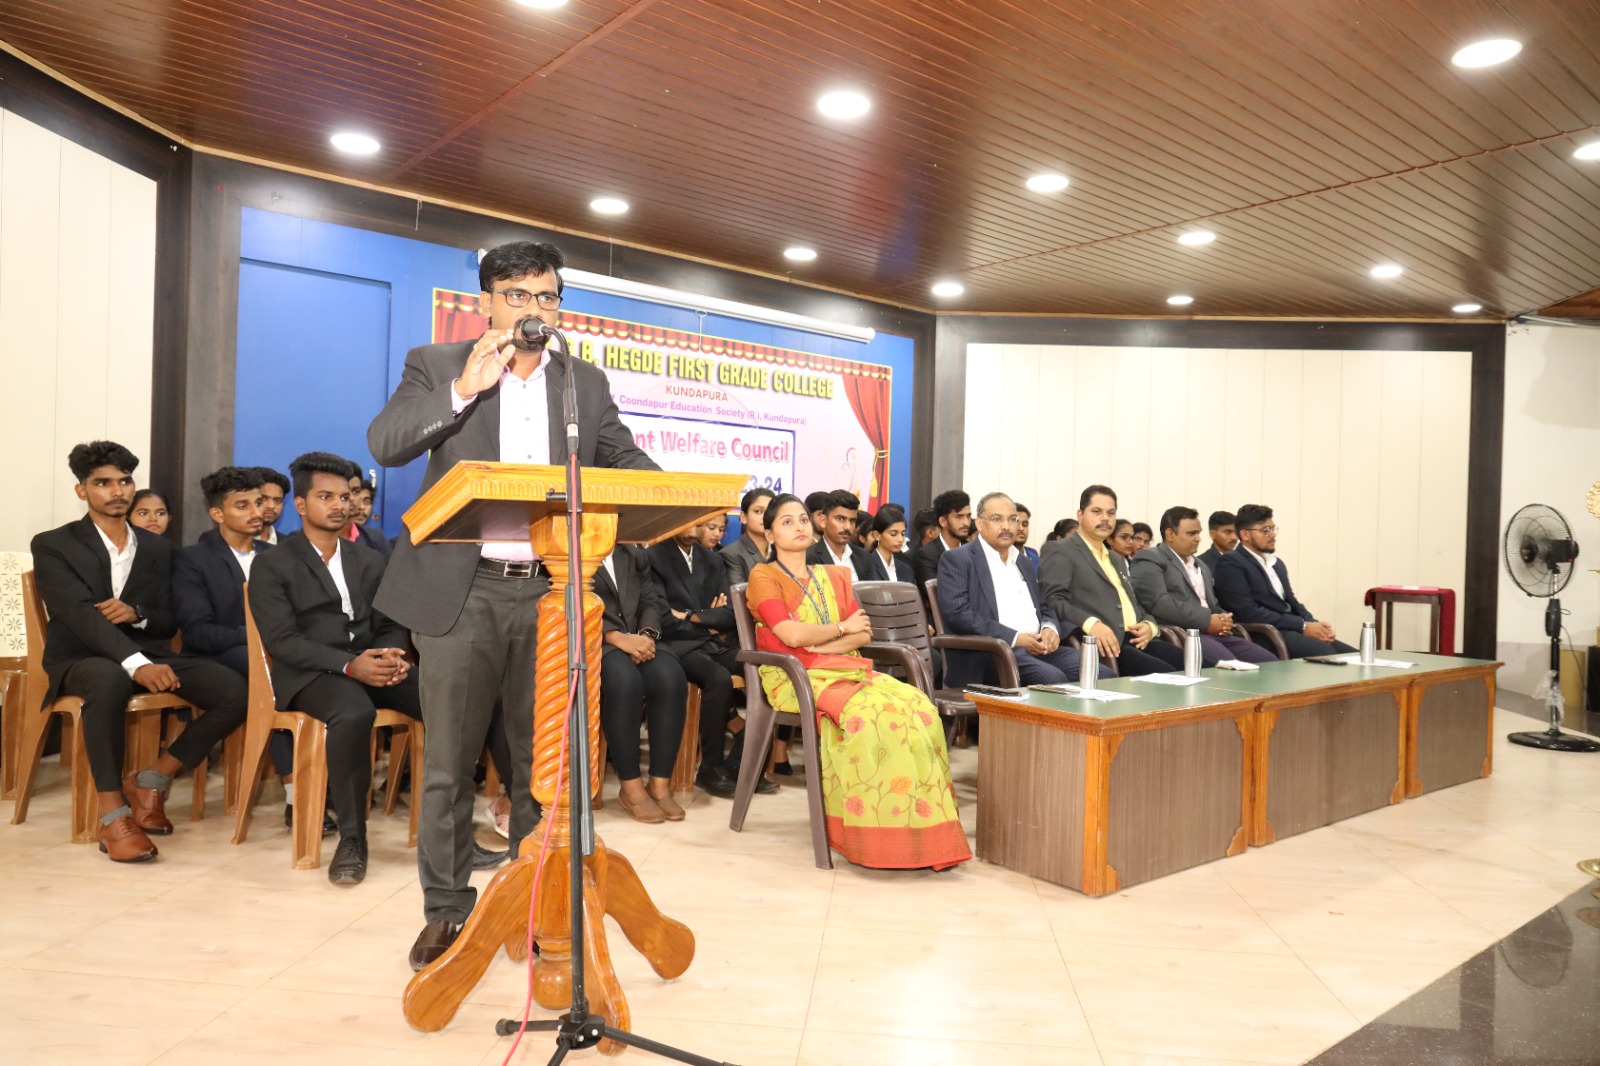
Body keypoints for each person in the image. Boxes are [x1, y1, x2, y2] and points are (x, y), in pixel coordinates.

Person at [367, 240, 659, 970]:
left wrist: (673, 490)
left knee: (544, 763)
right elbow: (387, 443)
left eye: (547, 296)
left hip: (552, 588)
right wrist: (462, 390)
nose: (535, 308)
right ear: (487, 302)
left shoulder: (581, 380)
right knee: (450, 765)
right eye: (519, 295)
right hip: (463, 588)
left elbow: (621, 456)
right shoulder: (437, 362)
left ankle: (536, 902)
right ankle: (447, 910)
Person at [30, 441, 248, 863]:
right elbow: (77, 615)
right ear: (81, 490)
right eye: (103, 483)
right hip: (78, 657)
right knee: (108, 678)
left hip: (144, 650)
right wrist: (137, 664)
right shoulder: (54, 544)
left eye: (125, 481)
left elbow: (169, 620)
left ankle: (151, 780)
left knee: (233, 690)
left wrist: (138, 614)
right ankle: (114, 816)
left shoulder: (157, 548)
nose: (117, 491)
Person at [744, 494, 971, 870]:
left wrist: (821, 642)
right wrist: (838, 629)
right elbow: (790, 634)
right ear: (769, 534)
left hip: (844, 668)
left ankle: (927, 836)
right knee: (870, 717)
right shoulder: (763, 576)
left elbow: (862, 633)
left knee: (919, 708)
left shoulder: (834, 576)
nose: (799, 526)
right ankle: (876, 840)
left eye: (803, 519)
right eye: (787, 522)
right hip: (794, 677)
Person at [248, 452, 424, 885]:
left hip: (369, 664)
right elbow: (283, 641)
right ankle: (352, 838)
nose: (340, 505)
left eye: (345, 497)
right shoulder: (273, 563)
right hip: (311, 673)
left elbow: (390, 621)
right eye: (325, 496)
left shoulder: (368, 559)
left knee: (443, 696)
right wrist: (349, 665)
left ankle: (447, 833)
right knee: (354, 711)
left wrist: (389, 655)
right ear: (301, 504)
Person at [174, 467, 333, 836]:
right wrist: (261, 638)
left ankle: (330, 782)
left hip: (277, 653)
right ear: (218, 514)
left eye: (259, 503)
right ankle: (297, 795)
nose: (257, 511)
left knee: (318, 673)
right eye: (243, 505)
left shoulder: (278, 555)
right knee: (275, 683)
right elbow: (198, 630)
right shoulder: (194, 559)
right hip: (219, 655)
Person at [649, 524, 774, 797]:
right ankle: (710, 767)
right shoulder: (653, 556)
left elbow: (729, 613)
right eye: (693, 521)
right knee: (718, 678)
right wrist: (707, 621)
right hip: (674, 645)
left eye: (702, 522)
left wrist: (691, 616)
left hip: (710, 641)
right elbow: (662, 617)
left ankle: (743, 763)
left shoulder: (712, 558)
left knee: (764, 671)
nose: (696, 527)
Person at [1038, 485, 1185, 677]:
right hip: (1104, 644)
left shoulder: (1116, 558)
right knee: (1168, 675)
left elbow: (1134, 604)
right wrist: (1091, 624)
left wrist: (1149, 625)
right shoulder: (1060, 550)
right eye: (1096, 512)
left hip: (1138, 639)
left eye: (1111, 513)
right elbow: (1053, 600)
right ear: (1080, 515)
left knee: (1199, 665)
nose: (1105, 518)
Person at [936, 492, 1080, 686]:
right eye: (997, 519)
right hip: (993, 652)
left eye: (1013, 519)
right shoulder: (958, 559)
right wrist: (1014, 638)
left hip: (1038, 648)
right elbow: (959, 614)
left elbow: (1044, 606)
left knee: (1098, 672)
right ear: (979, 524)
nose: (1006, 526)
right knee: (1052, 679)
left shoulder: (1022, 561)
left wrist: (1049, 628)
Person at [595, 544, 687, 823]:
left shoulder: (632, 553)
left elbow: (650, 600)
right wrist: (615, 637)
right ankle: (631, 788)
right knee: (625, 682)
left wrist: (646, 636)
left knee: (671, 678)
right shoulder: (573, 549)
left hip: (639, 639)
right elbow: (570, 601)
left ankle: (659, 785)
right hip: (594, 642)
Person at [1130, 506, 1277, 666]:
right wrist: (1207, 621)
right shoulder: (1150, 558)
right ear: (1170, 534)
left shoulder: (1201, 565)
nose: (1198, 539)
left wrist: (1223, 619)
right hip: (1185, 634)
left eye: (1199, 533)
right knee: (1231, 666)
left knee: (1271, 664)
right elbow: (1159, 603)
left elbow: (1211, 604)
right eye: (1191, 533)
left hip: (1216, 633)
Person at [1213, 504, 1356, 658]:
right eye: (1265, 530)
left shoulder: (1276, 563)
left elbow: (1292, 602)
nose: (1272, 535)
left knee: (1354, 655)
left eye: (1273, 529)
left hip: (1291, 628)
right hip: (1264, 633)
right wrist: (1302, 626)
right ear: (1245, 535)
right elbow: (1248, 612)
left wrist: (1315, 625)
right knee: (1327, 654)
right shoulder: (1231, 563)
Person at [912, 489, 971, 597]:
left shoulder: (973, 551)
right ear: (943, 521)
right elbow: (936, 595)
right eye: (959, 517)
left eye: (968, 516)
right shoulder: (926, 556)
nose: (966, 523)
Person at [805, 489, 870, 582]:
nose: (847, 527)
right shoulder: (808, 558)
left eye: (852, 521)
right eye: (840, 519)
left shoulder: (864, 557)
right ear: (823, 521)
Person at [719, 487, 773, 585]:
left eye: (769, 512)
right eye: (758, 511)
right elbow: (738, 592)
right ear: (743, 517)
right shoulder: (731, 555)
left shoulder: (782, 550)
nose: (765, 517)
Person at [861, 505, 916, 583]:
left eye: (903, 534)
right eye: (893, 534)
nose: (900, 539)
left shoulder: (906, 569)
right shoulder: (865, 567)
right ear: (877, 535)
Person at [253, 466, 290, 545]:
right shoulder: (232, 542)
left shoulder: (289, 545)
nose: (271, 506)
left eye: (277, 501)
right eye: (263, 498)